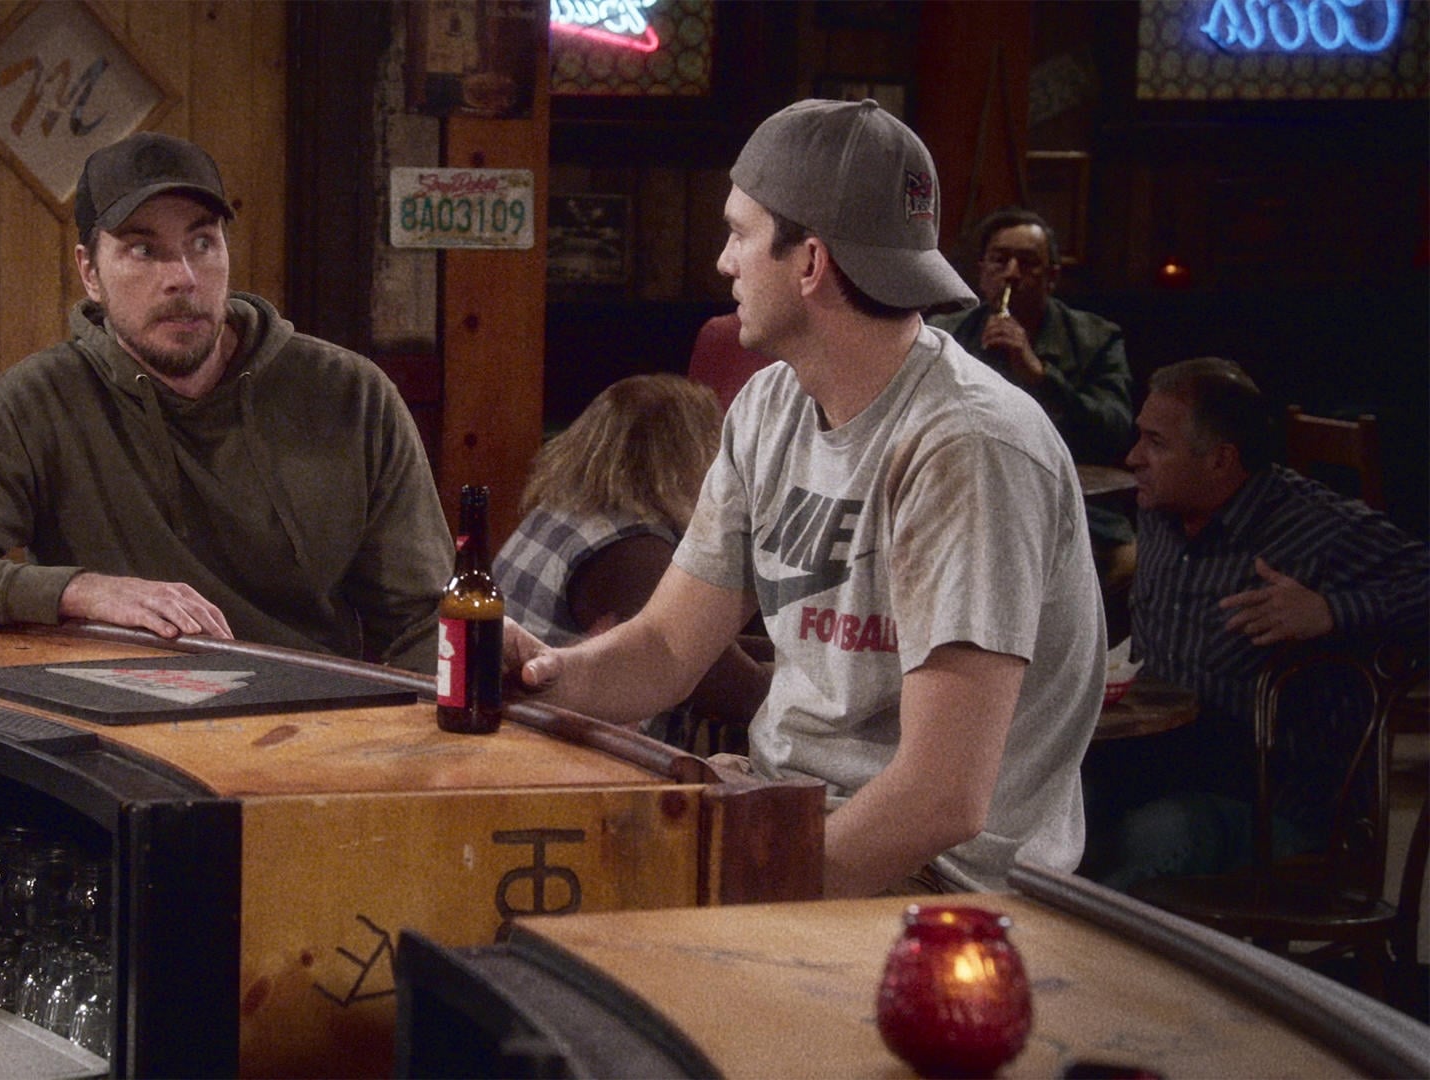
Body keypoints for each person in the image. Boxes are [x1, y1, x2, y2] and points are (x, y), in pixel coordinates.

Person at [505, 99, 1105, 897]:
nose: (725, 261)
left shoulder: (969, 446)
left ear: (811, 261)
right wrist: (535, 674)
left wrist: (743, 889)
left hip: (938, 886)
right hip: (791, 817)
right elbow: (667, 650)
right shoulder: (769, 407)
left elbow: (942, 799)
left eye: (739, 233)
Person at [0, 132, 453, 673]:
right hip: (115, 722)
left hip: (315, 722)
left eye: (202, 242)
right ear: (90, 272)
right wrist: (81, 591)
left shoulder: (350, 395)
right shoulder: (41, 401)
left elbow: (422, 620)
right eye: (143, 249)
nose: (182, 276)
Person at [1089, 357, 1430, 890]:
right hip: (1165, 763)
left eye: (1156, 442)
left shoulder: (1316, 528)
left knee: (1147, 840)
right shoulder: (1159, 510)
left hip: (1280, 805)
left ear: (1221, 460)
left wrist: (1331, 612)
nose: (1133, 458)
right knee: (1043, 806)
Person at [493, 373, 770, 745]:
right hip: (569, 758)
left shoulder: (558, 514)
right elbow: (730, 689)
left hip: (519, 737)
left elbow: (707, 645)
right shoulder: (630, 552)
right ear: (691, 456)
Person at [927, 208, 1136, 589]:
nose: (1011, 273)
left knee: (1125, 563)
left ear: (1052, 277)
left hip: (1071, 505)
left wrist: (1041, 377)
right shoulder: (945, 336)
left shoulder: (1096, 338)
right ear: (981, 272)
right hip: (969, 497)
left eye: (1027, 263)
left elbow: (1115, 431)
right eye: (999, 260)